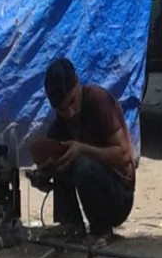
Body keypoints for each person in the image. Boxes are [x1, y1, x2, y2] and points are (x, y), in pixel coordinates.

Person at [31, 58, 136, 247]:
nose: (70, 113)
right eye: (62, 109)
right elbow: (57, 167)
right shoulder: (59, 125)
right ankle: (71, 223)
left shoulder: (98, 100)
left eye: (72, 102)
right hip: (94, 179)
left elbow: (124, 156)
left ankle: (101, 230)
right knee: (61, 155)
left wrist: (83, 149)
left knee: (82, 163)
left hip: (119, 195)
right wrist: (44, 175)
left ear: (78, 82)